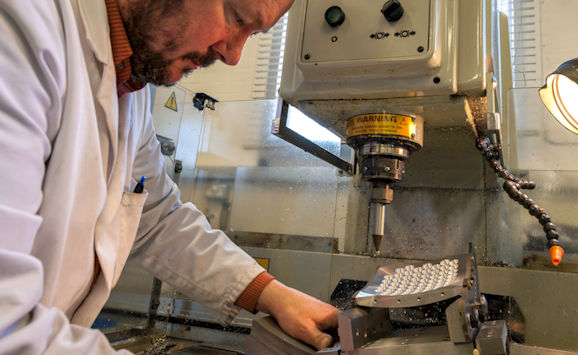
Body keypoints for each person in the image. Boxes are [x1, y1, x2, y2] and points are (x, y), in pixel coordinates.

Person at [0, 0, 339, 353]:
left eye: (252, 34)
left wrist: (273, 295)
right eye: (236, 18)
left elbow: (159, 218)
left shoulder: (129, 89)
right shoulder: (20, 26)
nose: (234, 55)